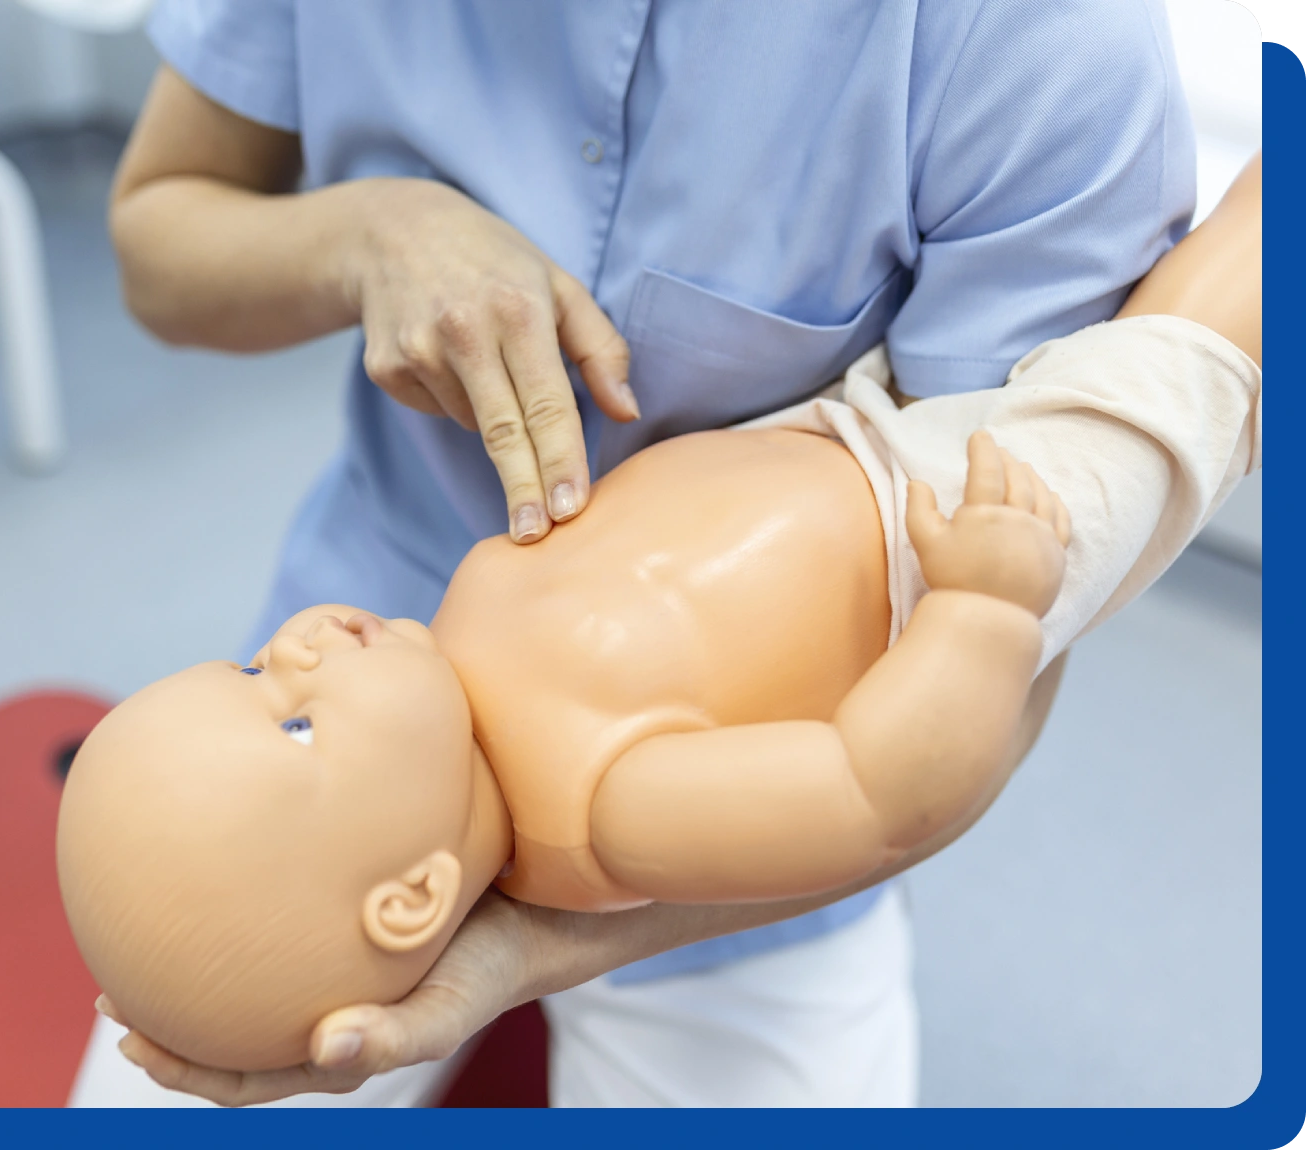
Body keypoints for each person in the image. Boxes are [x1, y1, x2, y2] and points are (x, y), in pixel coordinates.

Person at [74, 0, 1199, 1108]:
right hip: (338, 737)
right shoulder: (369, 674)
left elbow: (934, 724)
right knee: (190, 1042)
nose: (292, 648)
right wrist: (368, 235)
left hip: (744, 808)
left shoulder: (1030, 39)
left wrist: (539, 944)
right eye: (271, 686)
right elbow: (158, 240)